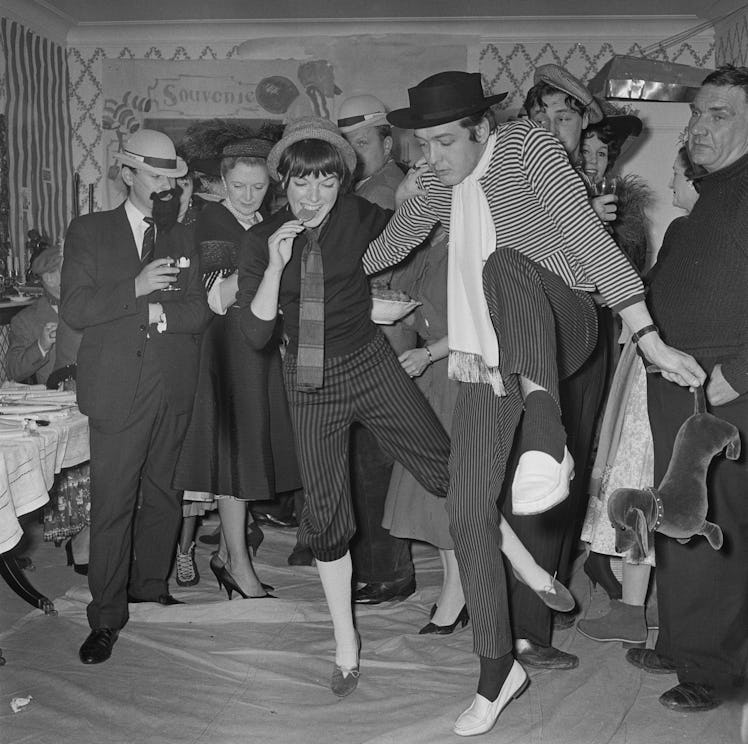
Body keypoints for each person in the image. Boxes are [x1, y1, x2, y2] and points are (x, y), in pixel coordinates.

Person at [365, 71, 704, 736]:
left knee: (503, 266)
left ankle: (547, 436)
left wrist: (646, 332)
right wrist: (325, 258)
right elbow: (393, 243)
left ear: (480, 128)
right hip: (485, 363)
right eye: (423, 144)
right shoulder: (438, 178)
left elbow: (585, 235)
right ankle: (498, 671)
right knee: (467, 513)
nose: (428, 157)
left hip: (562, 319)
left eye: (440, 142)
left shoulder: (526, 148)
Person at [236, 116, 451, 698]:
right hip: (308, 382)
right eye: (302, 183)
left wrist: (421, 191)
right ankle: (345, 644)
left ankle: (525, 569)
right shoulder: (262, 241)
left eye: (326, 182)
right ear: (284, 181)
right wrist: (276, 268)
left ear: (341, 182)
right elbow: (255, 336)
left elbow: (413, 234)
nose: (313, 196)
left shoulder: (358, 216)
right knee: (328, 512)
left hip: (370, 364)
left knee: (446, 467)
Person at [61, 128, 211, 665]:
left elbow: (202, 311)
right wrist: (136, 289)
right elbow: (75, 308)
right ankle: (105, 617)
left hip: (172, 385)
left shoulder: (186, 235)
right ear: (126, 175)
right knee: (113, 505)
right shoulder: (90, 231)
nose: (165, 187)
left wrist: (158, 312)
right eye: (154, 176)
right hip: (116, 388)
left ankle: (150, 588)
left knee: (166, 496)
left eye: (172, 178)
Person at [625, 64, 748, 712]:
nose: (700, 125)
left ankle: (713, 672)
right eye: (698, 114)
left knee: (712, 528)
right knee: (677, 521)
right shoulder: (715, 194)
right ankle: (679, 639)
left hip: (725, 391)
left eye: (719, 114)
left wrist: (741, 375)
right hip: (682, 386)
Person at [383, 226, 575, 634]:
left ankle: (462, 593)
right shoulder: (429, 242)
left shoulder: (478, 239)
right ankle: (487, 579)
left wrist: (428, 351)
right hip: (431, 375)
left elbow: (487, 320)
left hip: (461, 371)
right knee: (430, 490)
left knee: (453, 489)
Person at [578, 145, 700, 646]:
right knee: (637, 479)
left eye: (677, 175)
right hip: (650, 364)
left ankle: (633, 611)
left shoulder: (687, 233)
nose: (670, 185)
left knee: (636, 480)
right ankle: (634, 604)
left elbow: (659, 295)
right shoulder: (688, 232)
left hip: (660, 370)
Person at [173, 133, 301, 598]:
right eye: (240, 186)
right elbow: (218, 298)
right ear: (222, 182)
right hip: (227, 353)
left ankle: (228, 556)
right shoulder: (214, 221)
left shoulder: (262, 221)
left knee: (248, 454)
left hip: (258, 349)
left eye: (259, 187)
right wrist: (265, 263)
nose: (249, 196)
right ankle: (240, 570)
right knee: (235, 461)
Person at [337, 93, 416, 605]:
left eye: (362, 142)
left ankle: (389, 572)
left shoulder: (385, 192)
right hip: (369, 336)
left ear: (388, 142)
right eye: (346, 144)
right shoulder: (367, 187)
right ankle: (378, 567)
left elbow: (378, 271)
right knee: (365, 462)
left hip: (382, 341)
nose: (354, 152)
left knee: (375, 464)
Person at [6, 245, 80, 385]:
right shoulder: (26, 320)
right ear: (50, 279)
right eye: (69, 269)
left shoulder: (89, 306)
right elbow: (13, 371)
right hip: (58, 401)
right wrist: (42, 346)